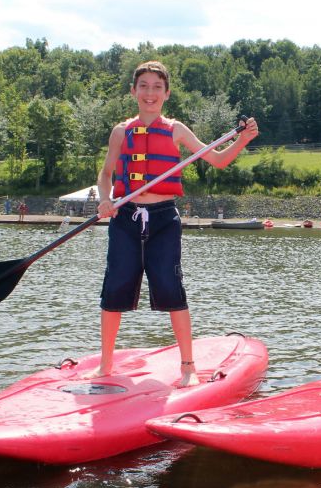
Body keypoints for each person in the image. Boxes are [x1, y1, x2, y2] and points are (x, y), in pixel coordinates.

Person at [87, 60, 258, 388]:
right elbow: (106, 173)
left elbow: (218, 160)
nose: (149, 93)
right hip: (124, 218)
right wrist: (105, 198)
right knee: (115, 287)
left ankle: (188, 367)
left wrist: (243, 139)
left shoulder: (176, 130)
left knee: (170, 287)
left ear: (166, 93)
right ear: (133, 91)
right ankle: (105, 365)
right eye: (143, 86)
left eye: (157, 87)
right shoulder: (121, 132)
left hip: (163, 219)